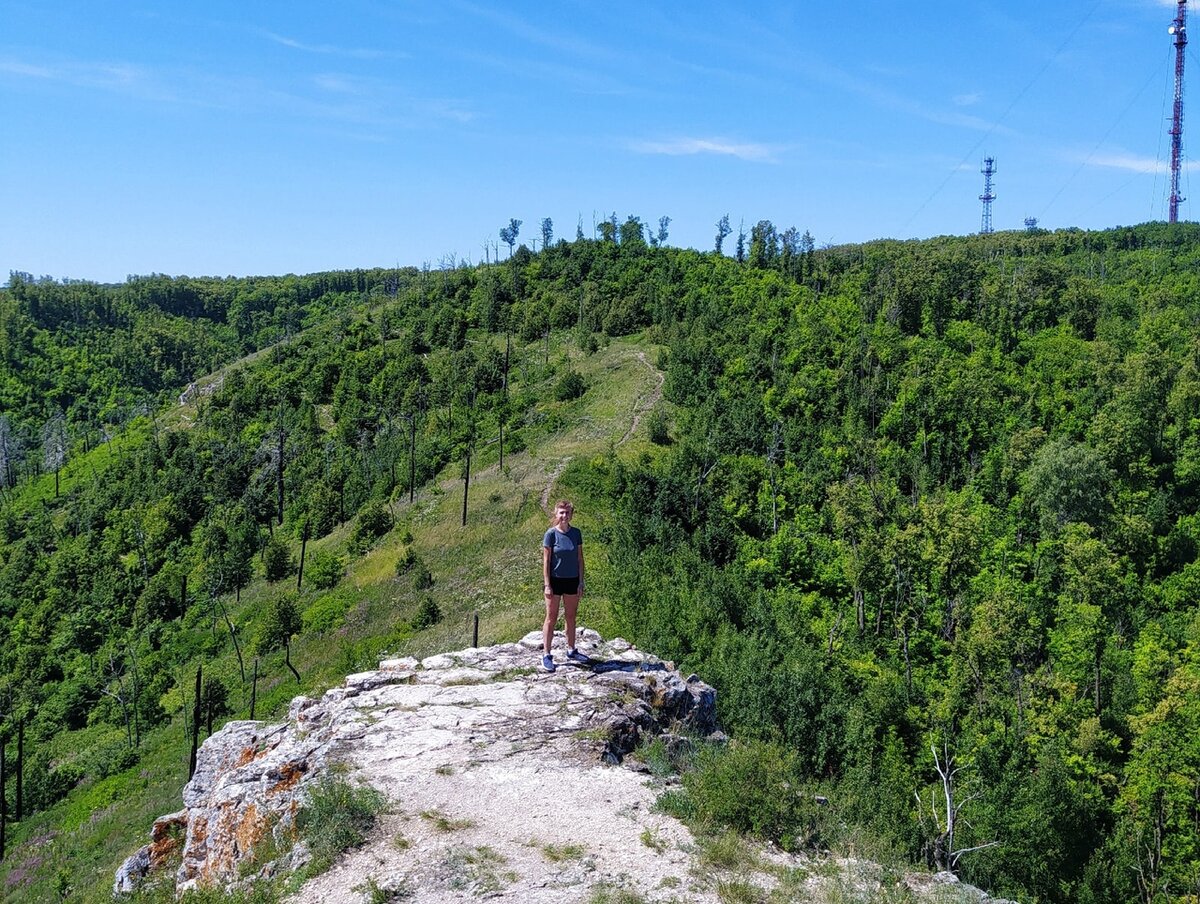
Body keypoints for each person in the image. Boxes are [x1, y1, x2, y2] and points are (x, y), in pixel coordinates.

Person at [542, 499, 586, 672]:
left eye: (567, 512)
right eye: (561, 512)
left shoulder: (576, 533)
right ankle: (546, 654)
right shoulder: (551, 534)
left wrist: (581, 581)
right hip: (554, 580)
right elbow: (546, 560)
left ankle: (571, 649)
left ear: (571, 514)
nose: (564, 516)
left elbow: (580, 558)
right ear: (556, 514)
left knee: (570, 616)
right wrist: (547, 584)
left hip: (572, 579)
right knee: (551, 618)